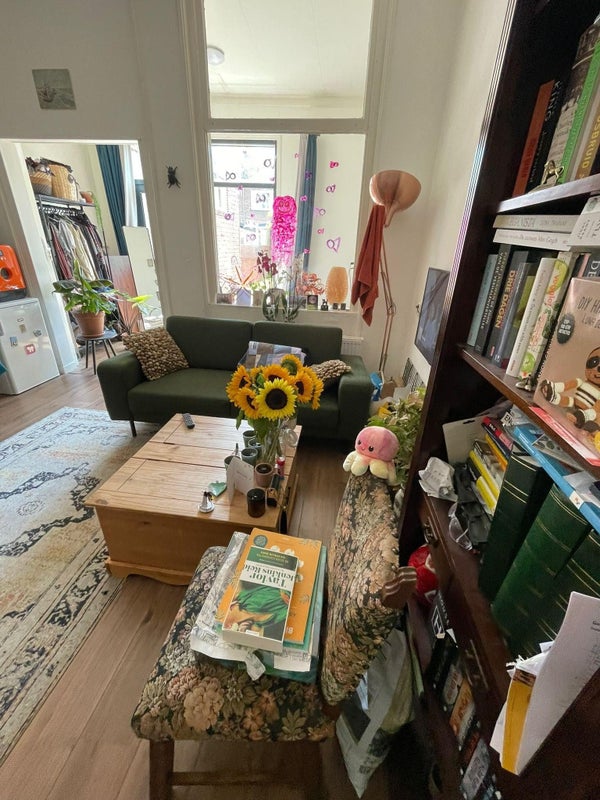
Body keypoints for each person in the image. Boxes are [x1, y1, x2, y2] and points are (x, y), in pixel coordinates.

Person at [223, 582, 291, 640]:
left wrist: (284, 589)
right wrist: (243, 633)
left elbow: (268, 579)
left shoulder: (244, 596)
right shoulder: (258, 624)